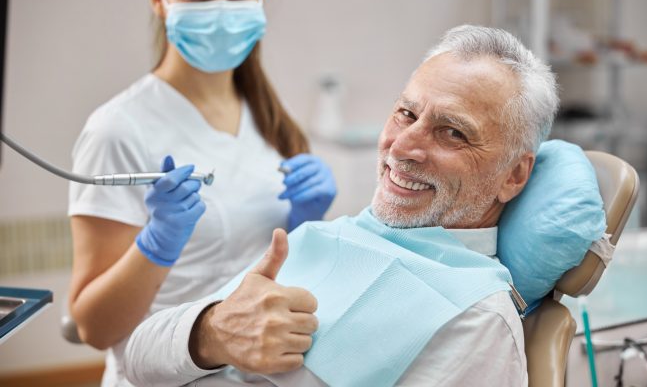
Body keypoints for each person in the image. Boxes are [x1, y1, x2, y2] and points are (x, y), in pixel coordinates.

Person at [123, 24, 559, 386]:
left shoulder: (475, 316)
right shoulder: (321, 237)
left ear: (513, 175)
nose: (401, 147)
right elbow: (138, 359)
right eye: (406, 114)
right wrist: (212, 332)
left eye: (452, 132)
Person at [67, 0, 336, 386]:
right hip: (163, 373)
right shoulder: (116, 130)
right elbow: (94, 327)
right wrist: (156, 246)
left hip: (263, 372)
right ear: (159, 0)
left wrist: (306, 225)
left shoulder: (271, 119)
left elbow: (278, 266)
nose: (220, 11)